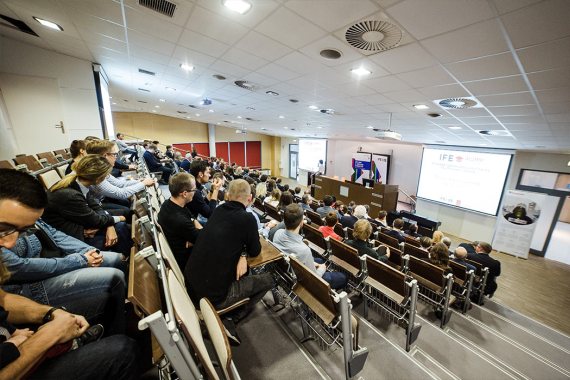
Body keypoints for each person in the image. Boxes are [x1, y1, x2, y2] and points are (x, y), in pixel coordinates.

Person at [0, 169, 139, 379]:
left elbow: (3, 301)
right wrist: (48, 336)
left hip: (16, 335)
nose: (10, 243)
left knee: (113, 264)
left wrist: (49, 314)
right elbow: (21, 267)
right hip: (26, 289)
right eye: (4, 229)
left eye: (24, 230)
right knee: (122, 347)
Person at [185, 179, 274, 340]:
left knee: (242, 272)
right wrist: (244, 254)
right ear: (249, 198)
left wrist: (241, 254)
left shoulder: (218, 210)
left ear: (228, 195)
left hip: (191, 285)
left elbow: (231, 239)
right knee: (268, 279)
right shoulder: (247, 219)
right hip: (212, 298)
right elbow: (256, 250)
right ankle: (232, 317)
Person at [42, 155, 132, 257]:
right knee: (122, 228)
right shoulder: (70, 195)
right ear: (98, 179)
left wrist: (109, 224)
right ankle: (126, 263)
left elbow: (96, 208)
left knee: (123, 227)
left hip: (81, 227)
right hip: (69, 238)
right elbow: (96, 220)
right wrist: (120, 218)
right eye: (106, 176)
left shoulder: (78, 182)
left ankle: (128, 259)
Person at [273, 204, 347, 289]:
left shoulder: (277, 233)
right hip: (305, 281)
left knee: (319, 260)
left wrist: (315, 264)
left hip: (287, 270)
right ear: (301, 223)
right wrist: (322, 268)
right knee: (343, 277)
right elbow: (314, 279)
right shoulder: (304, 250)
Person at [86, 139, 155, 211]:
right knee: (125, 210)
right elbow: (121, 193)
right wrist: (143, 183)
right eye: (114, 154)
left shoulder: (100, 169)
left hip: (103, 199)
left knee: (126, 202)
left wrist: (139, 181)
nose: (116, 157)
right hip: (96, 205)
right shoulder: (96, 174)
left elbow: (119, 184)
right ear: (105, 155)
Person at [157, 173, 203, 270]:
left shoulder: (168, 203)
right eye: (194, 190)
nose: (195, 192)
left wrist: (191, 240)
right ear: (185, 194)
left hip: (184, 245)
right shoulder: (179, 220)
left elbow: (191, 217)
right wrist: (198, 232)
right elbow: (202, 238)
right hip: (188, 262)